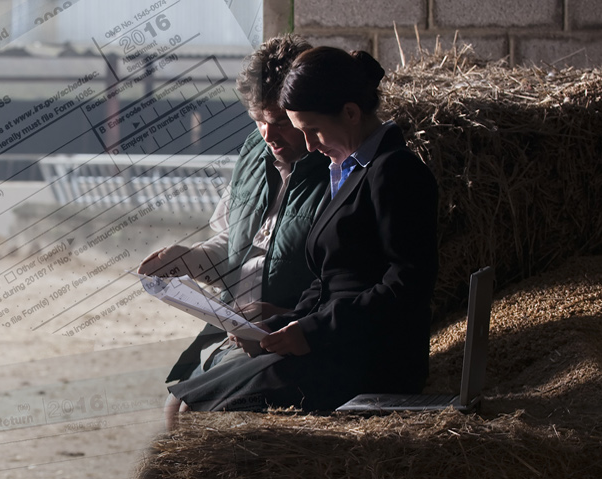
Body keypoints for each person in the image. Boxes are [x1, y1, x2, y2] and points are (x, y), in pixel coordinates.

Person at [163, 46, 439, 421]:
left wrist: (313, 330)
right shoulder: (348, 170)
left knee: (196, 410)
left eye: (312, 130)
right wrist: (278, 326)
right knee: (181, 401)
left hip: (369, 358)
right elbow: (329, 280)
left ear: (351, 113)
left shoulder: (397, 171)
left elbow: (407, 285)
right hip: (333, 343)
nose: (309, 145)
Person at [133, 34, 332, 429]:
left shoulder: (336, 171)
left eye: (277, 122)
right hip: (232, 329)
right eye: (256, 120)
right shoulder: (253, 154)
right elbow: (235, 246)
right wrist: (185, 261)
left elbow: (345, 280)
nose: (266, 135)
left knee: (185, 414)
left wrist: (291, 317)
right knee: (174, 411)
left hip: (285, 337)